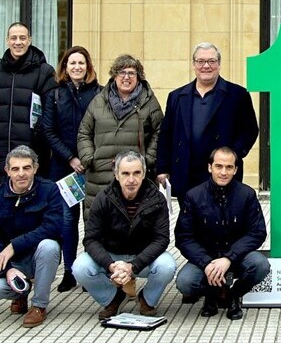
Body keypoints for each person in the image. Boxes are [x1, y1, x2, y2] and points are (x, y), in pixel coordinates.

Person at [73, 150, 176, 320]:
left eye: (137, 173)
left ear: (143, 174)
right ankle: (113, 298)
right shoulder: (102, 198)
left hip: (143, 257)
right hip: (111, 256)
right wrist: (110, 265)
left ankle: (147, 300)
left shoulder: (157, 199)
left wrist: (134, 265)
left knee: (167, 265)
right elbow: (91, 239)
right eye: (125, 173)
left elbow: (162, 239)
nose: (131, 180)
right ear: (117, 175)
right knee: (80, 267)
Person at [175, 147, 270, 320]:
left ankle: (233, 295)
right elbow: (183, 238)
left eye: (228, 167)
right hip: (205, 259)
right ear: (210, 167)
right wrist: (206, 263)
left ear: (235, 169)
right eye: (219, 166)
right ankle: (213, 293)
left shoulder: (247, 194)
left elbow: (257, 232)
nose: (223, 172)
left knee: (261, 265)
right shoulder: (193, 196)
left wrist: (228, 258)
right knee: (185, 282)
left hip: (237, 257)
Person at [157, 43, 259, 196]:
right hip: (186, 174)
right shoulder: (176, 97)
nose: (206, 66)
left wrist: (233, 155)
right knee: (189, 219)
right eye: (201, 61)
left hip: (222, 173)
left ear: (219, 64)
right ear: (193, 64)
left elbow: (250, 130)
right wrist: (163, 168)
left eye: (211, 61)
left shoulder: (238, 95)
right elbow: (165, 134)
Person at [39, 46, 102, 292]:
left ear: (88, 67)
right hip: (63, 169)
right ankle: (69, 271)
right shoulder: (54, 95)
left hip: (92, 167)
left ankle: (90, 270)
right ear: (65, 67)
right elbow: (48, 131)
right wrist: (70, 159)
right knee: (67, 220)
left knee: (93, 220)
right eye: (72, 63)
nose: (77, 67)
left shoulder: (99, 93)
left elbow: (102, 128)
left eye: (81, 63)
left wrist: (86, 158)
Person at [77, 54, 164, 217]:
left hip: (135, 176)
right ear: (114, 75)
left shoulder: (149, 102)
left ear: (139, 77)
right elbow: (84, 132)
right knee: (98, 223)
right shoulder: (98, 100)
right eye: (121, 72)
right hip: (100, 174)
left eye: (132, 73)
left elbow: (160, 132)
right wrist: (88, 157)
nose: (126, 77)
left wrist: (147, 160)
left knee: (134, 224)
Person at [0, 146, 62, 328]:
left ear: (35, 168)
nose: (21, 174)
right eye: (15, 169)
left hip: (39, 259)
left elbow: (52, 227)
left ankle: (39, 306)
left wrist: (14, 245)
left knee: (50, 246)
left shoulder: (49, 190)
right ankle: (20, 293)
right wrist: (8, 270)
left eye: (26, 168)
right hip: (11, 262)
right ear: (7, 171)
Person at [0, 22, 57, 175]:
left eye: (22, 38)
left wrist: (38, 135)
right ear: (7, 41)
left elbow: (51, 113)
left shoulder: (44, 72)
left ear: (29, 40)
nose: (18, 42)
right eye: (13, 38)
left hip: (31, 155)